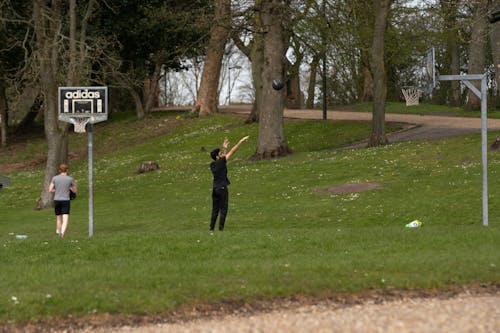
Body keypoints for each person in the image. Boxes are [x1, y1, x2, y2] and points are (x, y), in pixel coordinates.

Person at [209, 135, 249, 232]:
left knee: (215, 210)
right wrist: (241, 141)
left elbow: (223, 158)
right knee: (224, 209)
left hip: (215, 189)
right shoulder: (221, 162)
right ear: (217, 157)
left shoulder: (212, 165)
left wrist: (224, 149)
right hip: (222, 188)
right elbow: (233, 151)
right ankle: (221, 229)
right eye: (220, 153)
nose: (222, 154)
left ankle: (211, 229)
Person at [48, 164, 77, 238]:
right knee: (65, 218)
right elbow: (75, 190)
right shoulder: (70, 179)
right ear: (67, 170)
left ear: (59, 170)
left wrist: (57, 190)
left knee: (58, 218)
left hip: (57, 200)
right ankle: (62, 234)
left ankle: (59, 233)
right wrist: (69, 189)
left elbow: (50, 189)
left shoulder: (55, 178)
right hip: (65, 200)